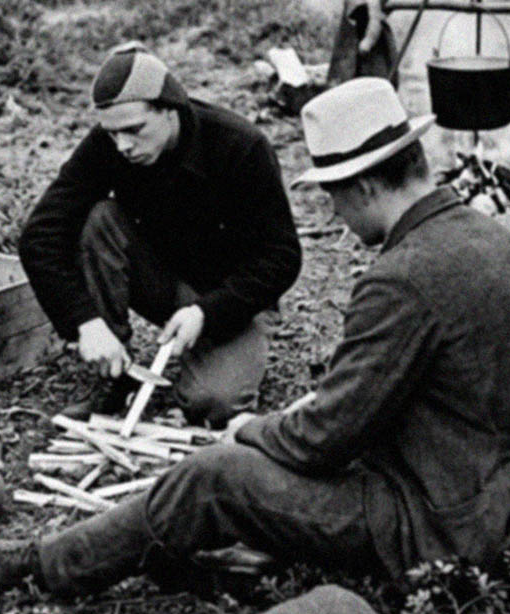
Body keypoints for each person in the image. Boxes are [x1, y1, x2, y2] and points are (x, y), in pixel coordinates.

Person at [0, 77, 510, 597]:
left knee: (215, 475)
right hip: (496, 500)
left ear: (367, 185)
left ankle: (39, 567)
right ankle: (196, 551)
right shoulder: (492, 238)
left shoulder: (400, 278)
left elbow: (320, 441)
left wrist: (252, 430)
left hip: (435, 525)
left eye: (334, 199)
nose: (336, 219)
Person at [17, 43, 302, 428]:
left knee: (212, 403)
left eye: (135, 130)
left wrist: (208, 312)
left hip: (231, 298)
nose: (124, 147)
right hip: (163, 282)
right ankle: (113, 375)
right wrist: (86, 322)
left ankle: (224, 353)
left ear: (171, 109)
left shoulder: (240, 146)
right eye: (113, 133)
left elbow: (282, 255)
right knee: (99, 218)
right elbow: (40, 234)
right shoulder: (112, 142)